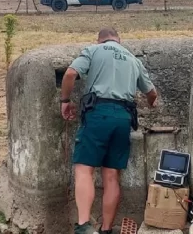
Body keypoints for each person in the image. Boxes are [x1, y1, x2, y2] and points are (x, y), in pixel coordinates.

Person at [60, 28, 157, 234]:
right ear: (118, 41)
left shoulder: (94, 50)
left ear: (100, 39)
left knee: (84, 168)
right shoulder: (133, 59)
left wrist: (65, 101)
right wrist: (150, 103)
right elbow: (152, 93)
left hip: (98, 114)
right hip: (124, 118)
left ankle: (85, 226)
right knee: (111, 175)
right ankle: (105, 229)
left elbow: (70, 73)